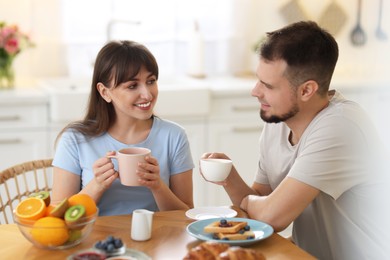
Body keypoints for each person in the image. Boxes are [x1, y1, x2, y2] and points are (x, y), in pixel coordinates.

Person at [201, 21, 390, 259]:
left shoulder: (341, 126)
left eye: (268, 85)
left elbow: (271, 217)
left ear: (306, 90)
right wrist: (229, 177)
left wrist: (254, 204)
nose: (255, 91)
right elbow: (258, 206)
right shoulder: (279, 122)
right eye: (258, 79)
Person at [51, 40, 194, 216]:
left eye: (151, 81)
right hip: (96, 241)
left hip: (157, 238)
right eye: (132, 86)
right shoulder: (75, 139)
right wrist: (97, 185)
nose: (147, 94)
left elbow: (187, 214)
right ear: (105, 92)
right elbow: (57, 215)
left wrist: (158, 186)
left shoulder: (174, 136)